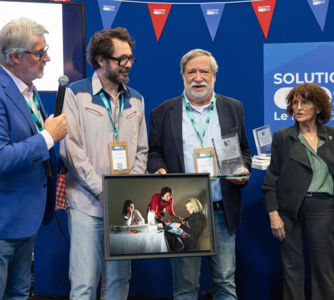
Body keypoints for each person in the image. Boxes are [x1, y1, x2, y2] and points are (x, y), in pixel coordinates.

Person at [148, 49, 251, 300]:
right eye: (191, 71)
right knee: (185, 286)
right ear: (182, 76)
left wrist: (242, 169)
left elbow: (244, 149)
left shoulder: (233, 107)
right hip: (184, 211)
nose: (198, 77)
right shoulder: (163, 112)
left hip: (221, 207)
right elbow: (154, 153)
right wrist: (158, 169)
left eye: (204, 71)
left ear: (214, 75)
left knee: (225, 282)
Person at [60, 27, 148, 300]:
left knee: (119, 281)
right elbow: (70, 149)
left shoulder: (137, 99)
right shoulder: (76, 94)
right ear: (100, 60)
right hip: (87, 205)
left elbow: (142, 151)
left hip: (124, 206)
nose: (128, 64)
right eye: (121, 59)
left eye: (131, 58)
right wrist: (101, 191)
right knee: (84, 283)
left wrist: (126, 191)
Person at [262, 83, 334, 300]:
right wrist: (274, 215)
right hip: (288, 212)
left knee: (323, 270)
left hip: (323, 209)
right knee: (292, 269)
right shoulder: (282, 137)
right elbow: (271, 180)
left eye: (305, 102)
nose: (298, 107)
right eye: (295, 103)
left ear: (318, 108)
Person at [0, 17, 67, 299]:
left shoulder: (28, 88)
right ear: (15, 56)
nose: (48, 58)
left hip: (27, 217)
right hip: (4, 221)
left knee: (18, 294)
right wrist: (47, 136)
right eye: (40, 53)